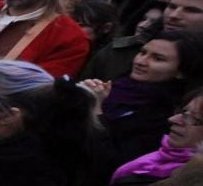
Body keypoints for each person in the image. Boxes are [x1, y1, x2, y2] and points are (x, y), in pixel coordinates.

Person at [80, 30, 203, 178]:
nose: (140, 61)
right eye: (142, 52)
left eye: (158, 59)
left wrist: (97, 112)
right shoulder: (119, 86)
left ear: (181, 72)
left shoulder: (166, 114)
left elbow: (110, 162)